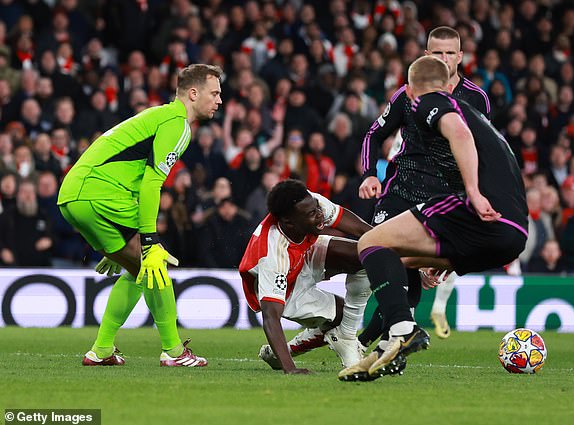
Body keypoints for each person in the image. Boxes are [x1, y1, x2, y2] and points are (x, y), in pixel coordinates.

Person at [341, 56, 527, 382]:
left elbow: (458, 134)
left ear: (411, 90)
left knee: (371, 242)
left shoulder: (431, 102)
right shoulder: (477, 116)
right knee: (403, 258)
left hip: (482, 214)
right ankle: (386, 349)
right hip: (511, 233)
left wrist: (473, 192)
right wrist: (450, 256)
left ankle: (402, 328)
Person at [57, 64, 223, 367]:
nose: (219, 100)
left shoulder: (159, 116)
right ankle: (173, 351)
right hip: (100, 193)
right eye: (214, 93)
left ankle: (101, 350)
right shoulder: (177, 124)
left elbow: (129, 173)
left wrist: (120, 240)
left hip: (74, 195)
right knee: (154, 266)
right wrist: (149, 240)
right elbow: (151, 183)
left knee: (137, 270)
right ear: (193, 93)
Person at [358, 26, 491, 345]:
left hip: (441, 200)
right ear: (426, 55)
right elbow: (373, 135)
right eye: (437, 53)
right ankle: (382, 337)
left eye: (450, 53)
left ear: (460, 56)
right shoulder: (406, 94)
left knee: (414, 273)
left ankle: (374, 341)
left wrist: (473, 195)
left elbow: (481, 152)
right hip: (400, 189)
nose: (444, 59)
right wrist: (369, 174)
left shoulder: (476, 98)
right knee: (380, 251)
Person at [239, 179, 372, 374]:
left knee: (369, 253)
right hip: (288, 290)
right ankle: (287, 354)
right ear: (288, 222)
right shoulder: (272, 255)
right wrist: (290, 369)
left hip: (304, 252)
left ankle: (346, 336)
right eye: (312, 214)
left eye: (317, 208)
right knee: (342, 314)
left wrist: (394, 250)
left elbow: (362, 230)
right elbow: (271, 317)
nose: (320, 215)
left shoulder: (309, 202)